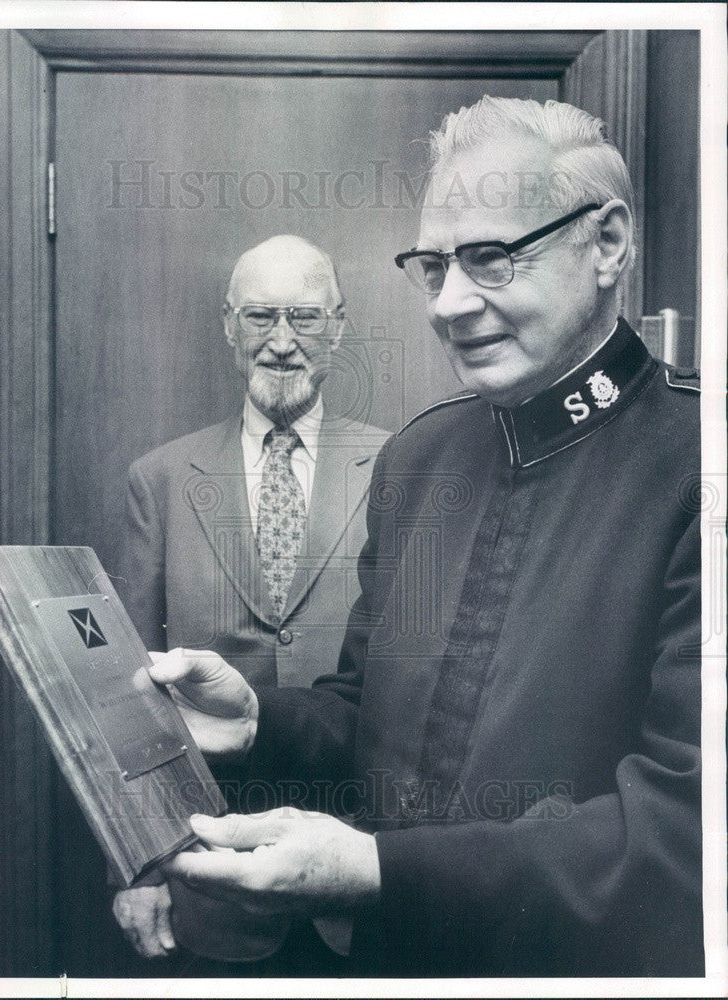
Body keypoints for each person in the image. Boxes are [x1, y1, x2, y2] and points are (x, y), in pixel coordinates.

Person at [151, 98, 703, 976]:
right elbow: (366, 712)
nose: (449, 304)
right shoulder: (419, 460)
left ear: (606, 244)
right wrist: (259, 723)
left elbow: (687, 834)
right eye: (434, 265)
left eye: (490, 259)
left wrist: (371, 868)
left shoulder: (700, 469)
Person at [113, 235, 387, 960]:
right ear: (229, 325)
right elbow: (127, 703)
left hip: (361, 876)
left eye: (305, 318)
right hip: (209, 884)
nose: (283, 343)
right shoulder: (162, 480)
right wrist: (140, 866)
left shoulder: (402, 468)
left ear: (339, 326)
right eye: (262, 317)